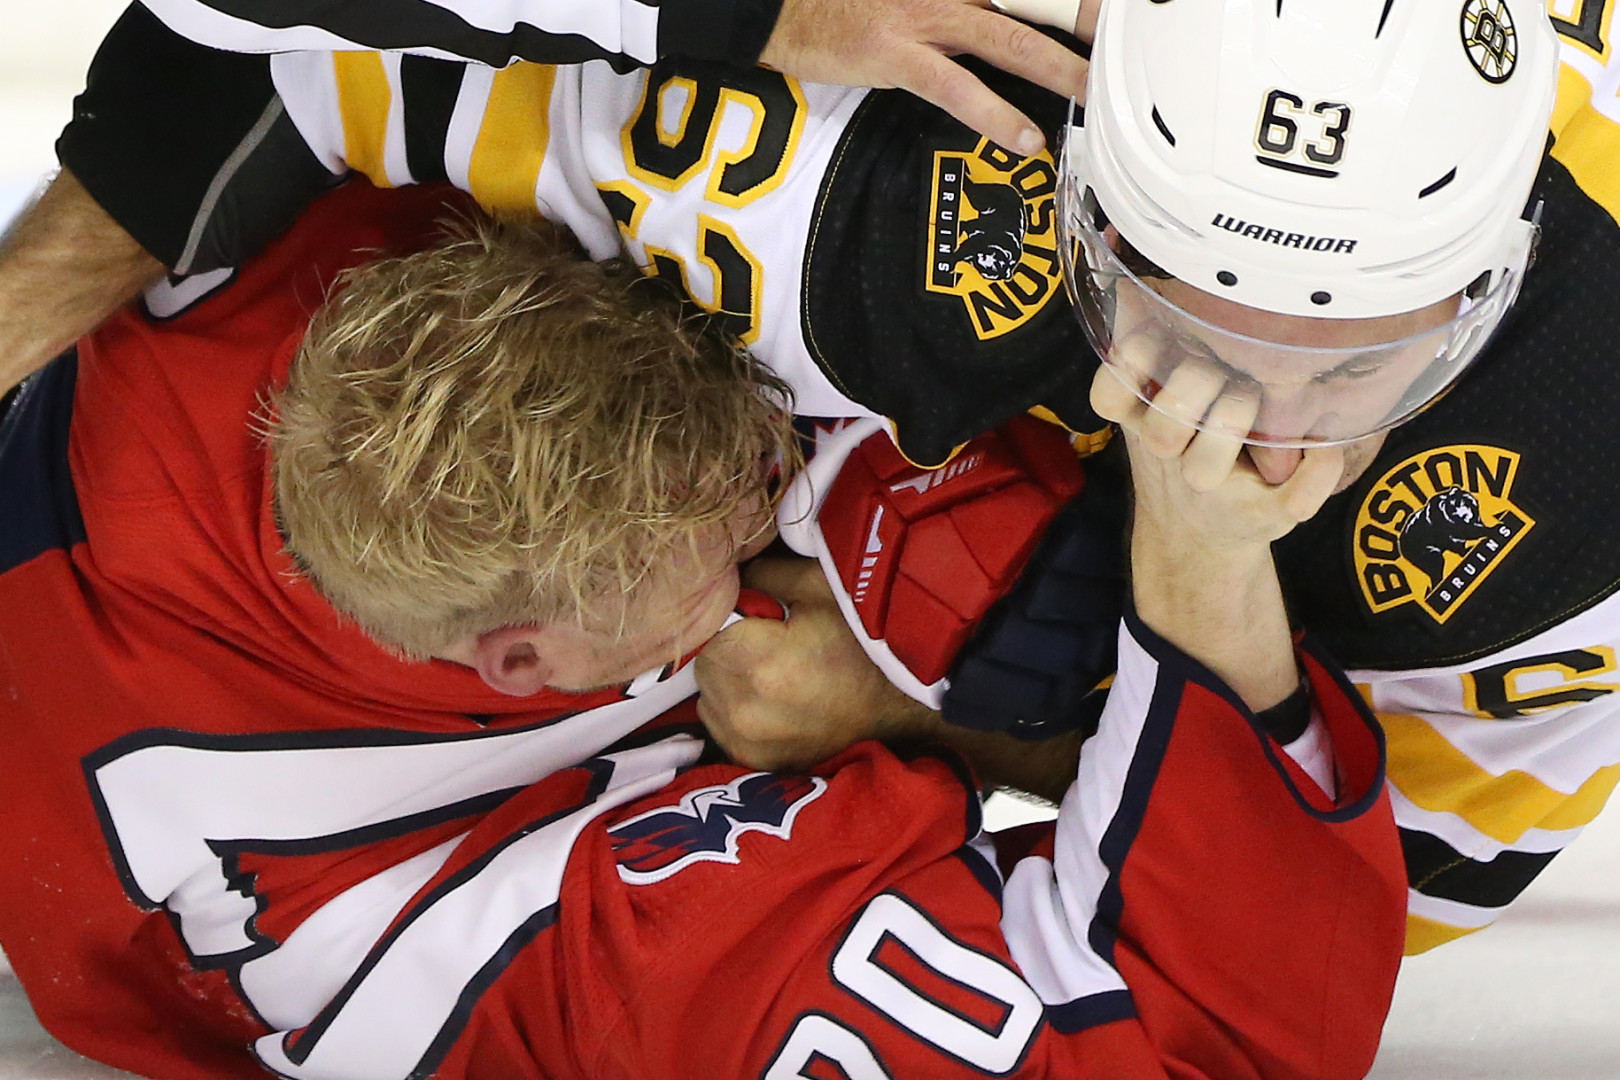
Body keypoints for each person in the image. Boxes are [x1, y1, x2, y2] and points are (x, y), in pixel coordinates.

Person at [8, 0, 1616, 956]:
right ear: (1080, 186)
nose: (1244, 424)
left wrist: (925, 717)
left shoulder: (1587, 535)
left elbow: (1389, 888)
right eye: (1173, 314)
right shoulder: (833, 155)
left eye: (1355, 362)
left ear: (1498, 274)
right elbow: (273, 59)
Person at [0, 168, 1405, 1080]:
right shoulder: (444, 947)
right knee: (980, 584)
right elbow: (1224, 1040)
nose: (774, 549)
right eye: (734, 561)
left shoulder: (347, 186)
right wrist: (1191, 552)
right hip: (343, 852)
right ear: (529, 665)